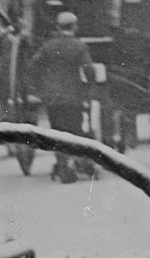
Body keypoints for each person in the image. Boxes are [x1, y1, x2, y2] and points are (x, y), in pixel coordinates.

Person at [27, 10, 98, 182]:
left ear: (58, 27)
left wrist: (38, 87)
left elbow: (33, 66)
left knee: (57, 130)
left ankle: (62, 165)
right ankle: (74, 162)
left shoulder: (48, 46)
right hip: (74, 96)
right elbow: (88, 69)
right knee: (75, 129)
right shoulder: (79, 46)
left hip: (52, 98)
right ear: (75, 27)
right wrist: (90, 86)